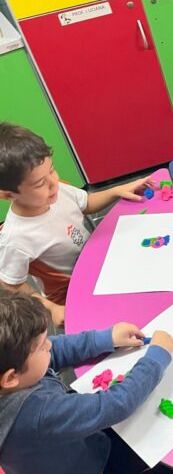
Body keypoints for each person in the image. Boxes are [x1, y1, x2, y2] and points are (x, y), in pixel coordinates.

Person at [0, 290, 173, 474]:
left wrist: (106, 339)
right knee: (155, 441)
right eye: (42, 346)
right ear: (10, 377)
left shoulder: (13, 369)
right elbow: (116, 405)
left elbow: (56, 349)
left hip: (58, 462)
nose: (50, 346)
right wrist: (156, 358)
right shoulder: (35, 413)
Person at [0, 123, 153, 325]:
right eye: (40, 183)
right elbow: (12, 285)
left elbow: (86, 203)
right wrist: (50, 308)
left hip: (98, 262)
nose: (53, 182)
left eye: (52, 170)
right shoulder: (15, 239)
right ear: (8, 195)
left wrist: (118, 191)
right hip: (72, 293)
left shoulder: (58, 189)